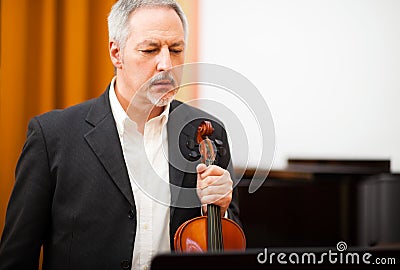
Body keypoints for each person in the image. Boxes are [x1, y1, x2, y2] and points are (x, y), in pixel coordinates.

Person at [0, 0, 242, 270]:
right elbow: (17, 257)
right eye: (150, 49)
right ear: (116, 53)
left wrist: (220, 210)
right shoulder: (52, 136)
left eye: (176, 50)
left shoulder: (208, 131)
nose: (166, 64)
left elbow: (228, 246)